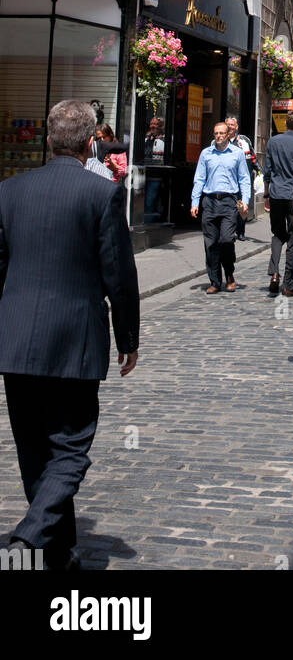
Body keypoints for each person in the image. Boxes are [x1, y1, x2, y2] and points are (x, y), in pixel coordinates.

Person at [0, 98, 139, 571]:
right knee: (70, 449)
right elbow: (118, 274)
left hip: (17, 341)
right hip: (74, 342)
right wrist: (129, 339)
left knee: (35, 451)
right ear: (89, 143)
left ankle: (57, 554)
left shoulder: (10, 191)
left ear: (47, 139)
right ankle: (29, 539)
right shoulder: (102, 194)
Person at [190, 123, 251, 292]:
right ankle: (215, 281)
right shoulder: (206, 154)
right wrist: (195, 202)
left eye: (222, 133)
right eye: (216, 133)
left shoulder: (237, 154)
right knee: (210, 243)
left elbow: (244, 178)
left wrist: (245, 201)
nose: (219, 136)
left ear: (228, 134)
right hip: (209, 201)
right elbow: (199, 179)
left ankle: (229, 273)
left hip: (229, 201)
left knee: (226, 240)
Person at [262, 112, 293, 297]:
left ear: (285, 124)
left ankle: (274, 272)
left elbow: (268, 168)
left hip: (276, 192)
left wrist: (266, 192)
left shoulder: (273, 141)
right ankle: (288, 283)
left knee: (277, 234)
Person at [225, 115, 256, 240]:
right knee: (229, 207)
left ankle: (241, 231)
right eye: (228, 125)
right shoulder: (220, 140)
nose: (230, 127)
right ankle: (230, 231)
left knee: (241, 205)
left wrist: (260, 172)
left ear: (236, 127)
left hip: (241, 180)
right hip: (227, 180)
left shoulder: (243, 141)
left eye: (232, 125)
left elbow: (252, 157)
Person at [143, 117, 166, 225]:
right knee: (144, 201)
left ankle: (150, 224)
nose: (152, 126)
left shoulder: (164, 139)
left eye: (155, 124)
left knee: (150, 201)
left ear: (161, 126)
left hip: (156, 175)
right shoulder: (147, 138)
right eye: (151, 124)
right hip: (143, 173)